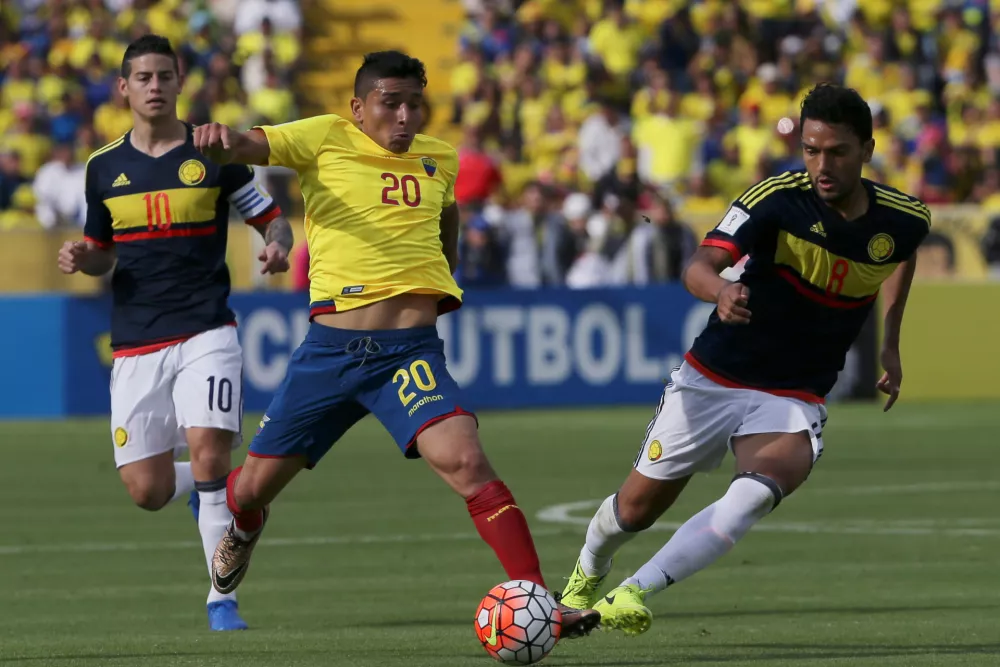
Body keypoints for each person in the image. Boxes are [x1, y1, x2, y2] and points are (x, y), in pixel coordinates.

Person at [191, 50, 600, 638]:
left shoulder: (440, 159)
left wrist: (443, 278)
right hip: (330, 354)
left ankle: (539, 600)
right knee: (250, 489)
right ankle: (245, 526)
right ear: (358, 108)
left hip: (408, 354)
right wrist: (218, 140)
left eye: (414, 103)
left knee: (467, 461)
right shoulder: (324, 137)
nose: (405, 116)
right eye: (391, 103)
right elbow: (248, 145)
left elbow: (447, 221)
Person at [558, 84, 930, 634]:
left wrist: (890, 342)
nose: (821, 165)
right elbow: (699, 267)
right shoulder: (776, 199)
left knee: (755, 495)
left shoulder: (904, 218)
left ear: (868, 150)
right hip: (716, 375)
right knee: (635, 511)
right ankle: (587, 572)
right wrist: (721, 292)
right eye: (811, 150)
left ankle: (634, 592)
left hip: (796, 391)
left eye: (837, 152)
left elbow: (901, 256)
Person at [57, 35, 294, 632]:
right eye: (143, 77)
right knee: (146, 489)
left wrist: (276, 247)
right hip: (136, 339)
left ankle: (221, 600)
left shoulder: (212, 152)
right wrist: (81, 259)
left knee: (210, 452)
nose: (155, 86)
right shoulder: (103, 167)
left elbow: (270, 217)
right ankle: (211, 488)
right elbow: (102, 252)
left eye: (165, 75)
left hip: (206, 330)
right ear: (124, 88)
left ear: (180, 82)